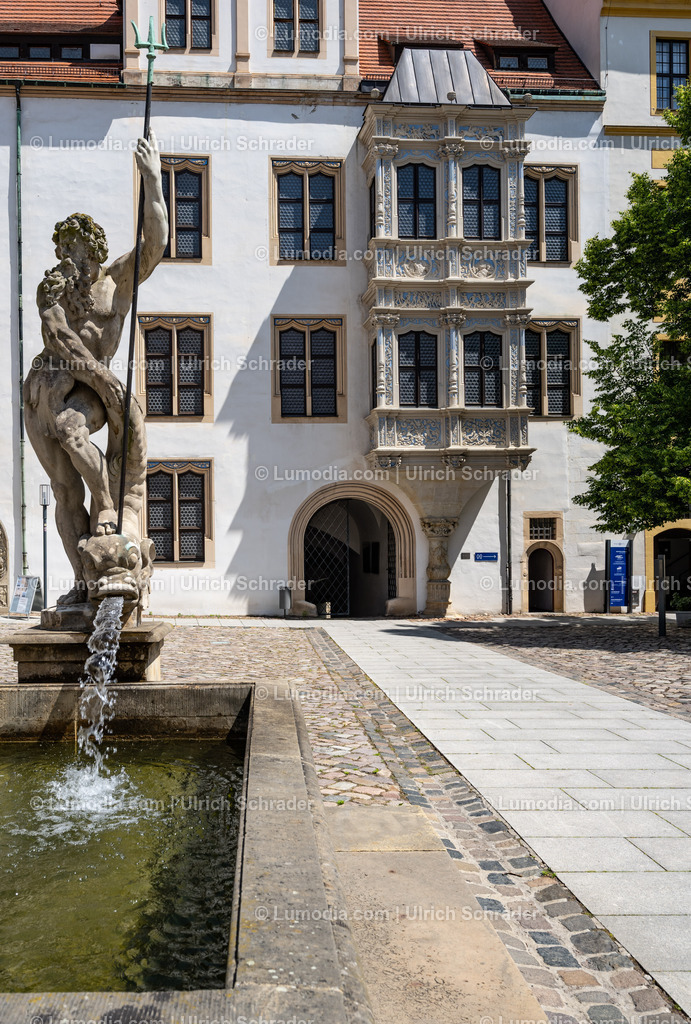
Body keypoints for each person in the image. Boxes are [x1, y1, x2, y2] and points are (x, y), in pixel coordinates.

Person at [25, 133, 168, 607]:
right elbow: (58, 338)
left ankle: (106, 504)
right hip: (43, 389)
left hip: (90, 390)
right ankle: (84, 583)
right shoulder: (53, 291)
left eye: (79, 249)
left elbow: (155, 243)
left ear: (96, 250)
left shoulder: (115, 282)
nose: (71, 259)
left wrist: (153, 180)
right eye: (64, 250)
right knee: (65, 492)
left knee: (73, 431)